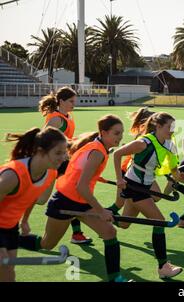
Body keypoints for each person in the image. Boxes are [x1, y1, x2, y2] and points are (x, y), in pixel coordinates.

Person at [18, 115, 132, 282]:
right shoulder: (97, 152)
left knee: (109, 231)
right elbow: (81, 186)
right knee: (47, 244)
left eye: (121, 133)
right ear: (103, 132)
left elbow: (78, 168)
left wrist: (93, 176)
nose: (120, 137)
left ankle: (115, 278)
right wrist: (101, 211)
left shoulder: (96, 146)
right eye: (116, 133)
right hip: (65, 201)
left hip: (81, 202)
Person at [113, 112, 184, 279]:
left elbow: (174, 170)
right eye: (169, 127)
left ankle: (102, 217)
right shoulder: (143, 143)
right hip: (134, 187)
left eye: (174, 127)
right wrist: (119, 179)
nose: (172, 131)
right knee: (159, 222)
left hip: (145, 186)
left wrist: (181, 177)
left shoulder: (169, 144)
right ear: (158, 126)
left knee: (123, 224)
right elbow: (117, 155)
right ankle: (163, 267)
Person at [0, 127, 67, 282]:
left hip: (10, 227)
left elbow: (31, 196)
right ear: (40, 151)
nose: (63, 158)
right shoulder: (13, 175)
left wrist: (24, 220)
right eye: (58, 153)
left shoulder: (50, 173)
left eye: (64, 152)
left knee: (8, 275)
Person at [39, 86, 92, 245]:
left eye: (74, 101)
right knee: (41, 199)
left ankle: (77, 233)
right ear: (61, 101)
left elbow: (66, 138)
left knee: (72, 194)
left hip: (63, 161)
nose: (73, 104)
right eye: (71, 101)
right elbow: (44, 140)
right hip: (51, 162)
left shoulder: (68, 116)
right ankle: (14, 199)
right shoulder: (56, 119)